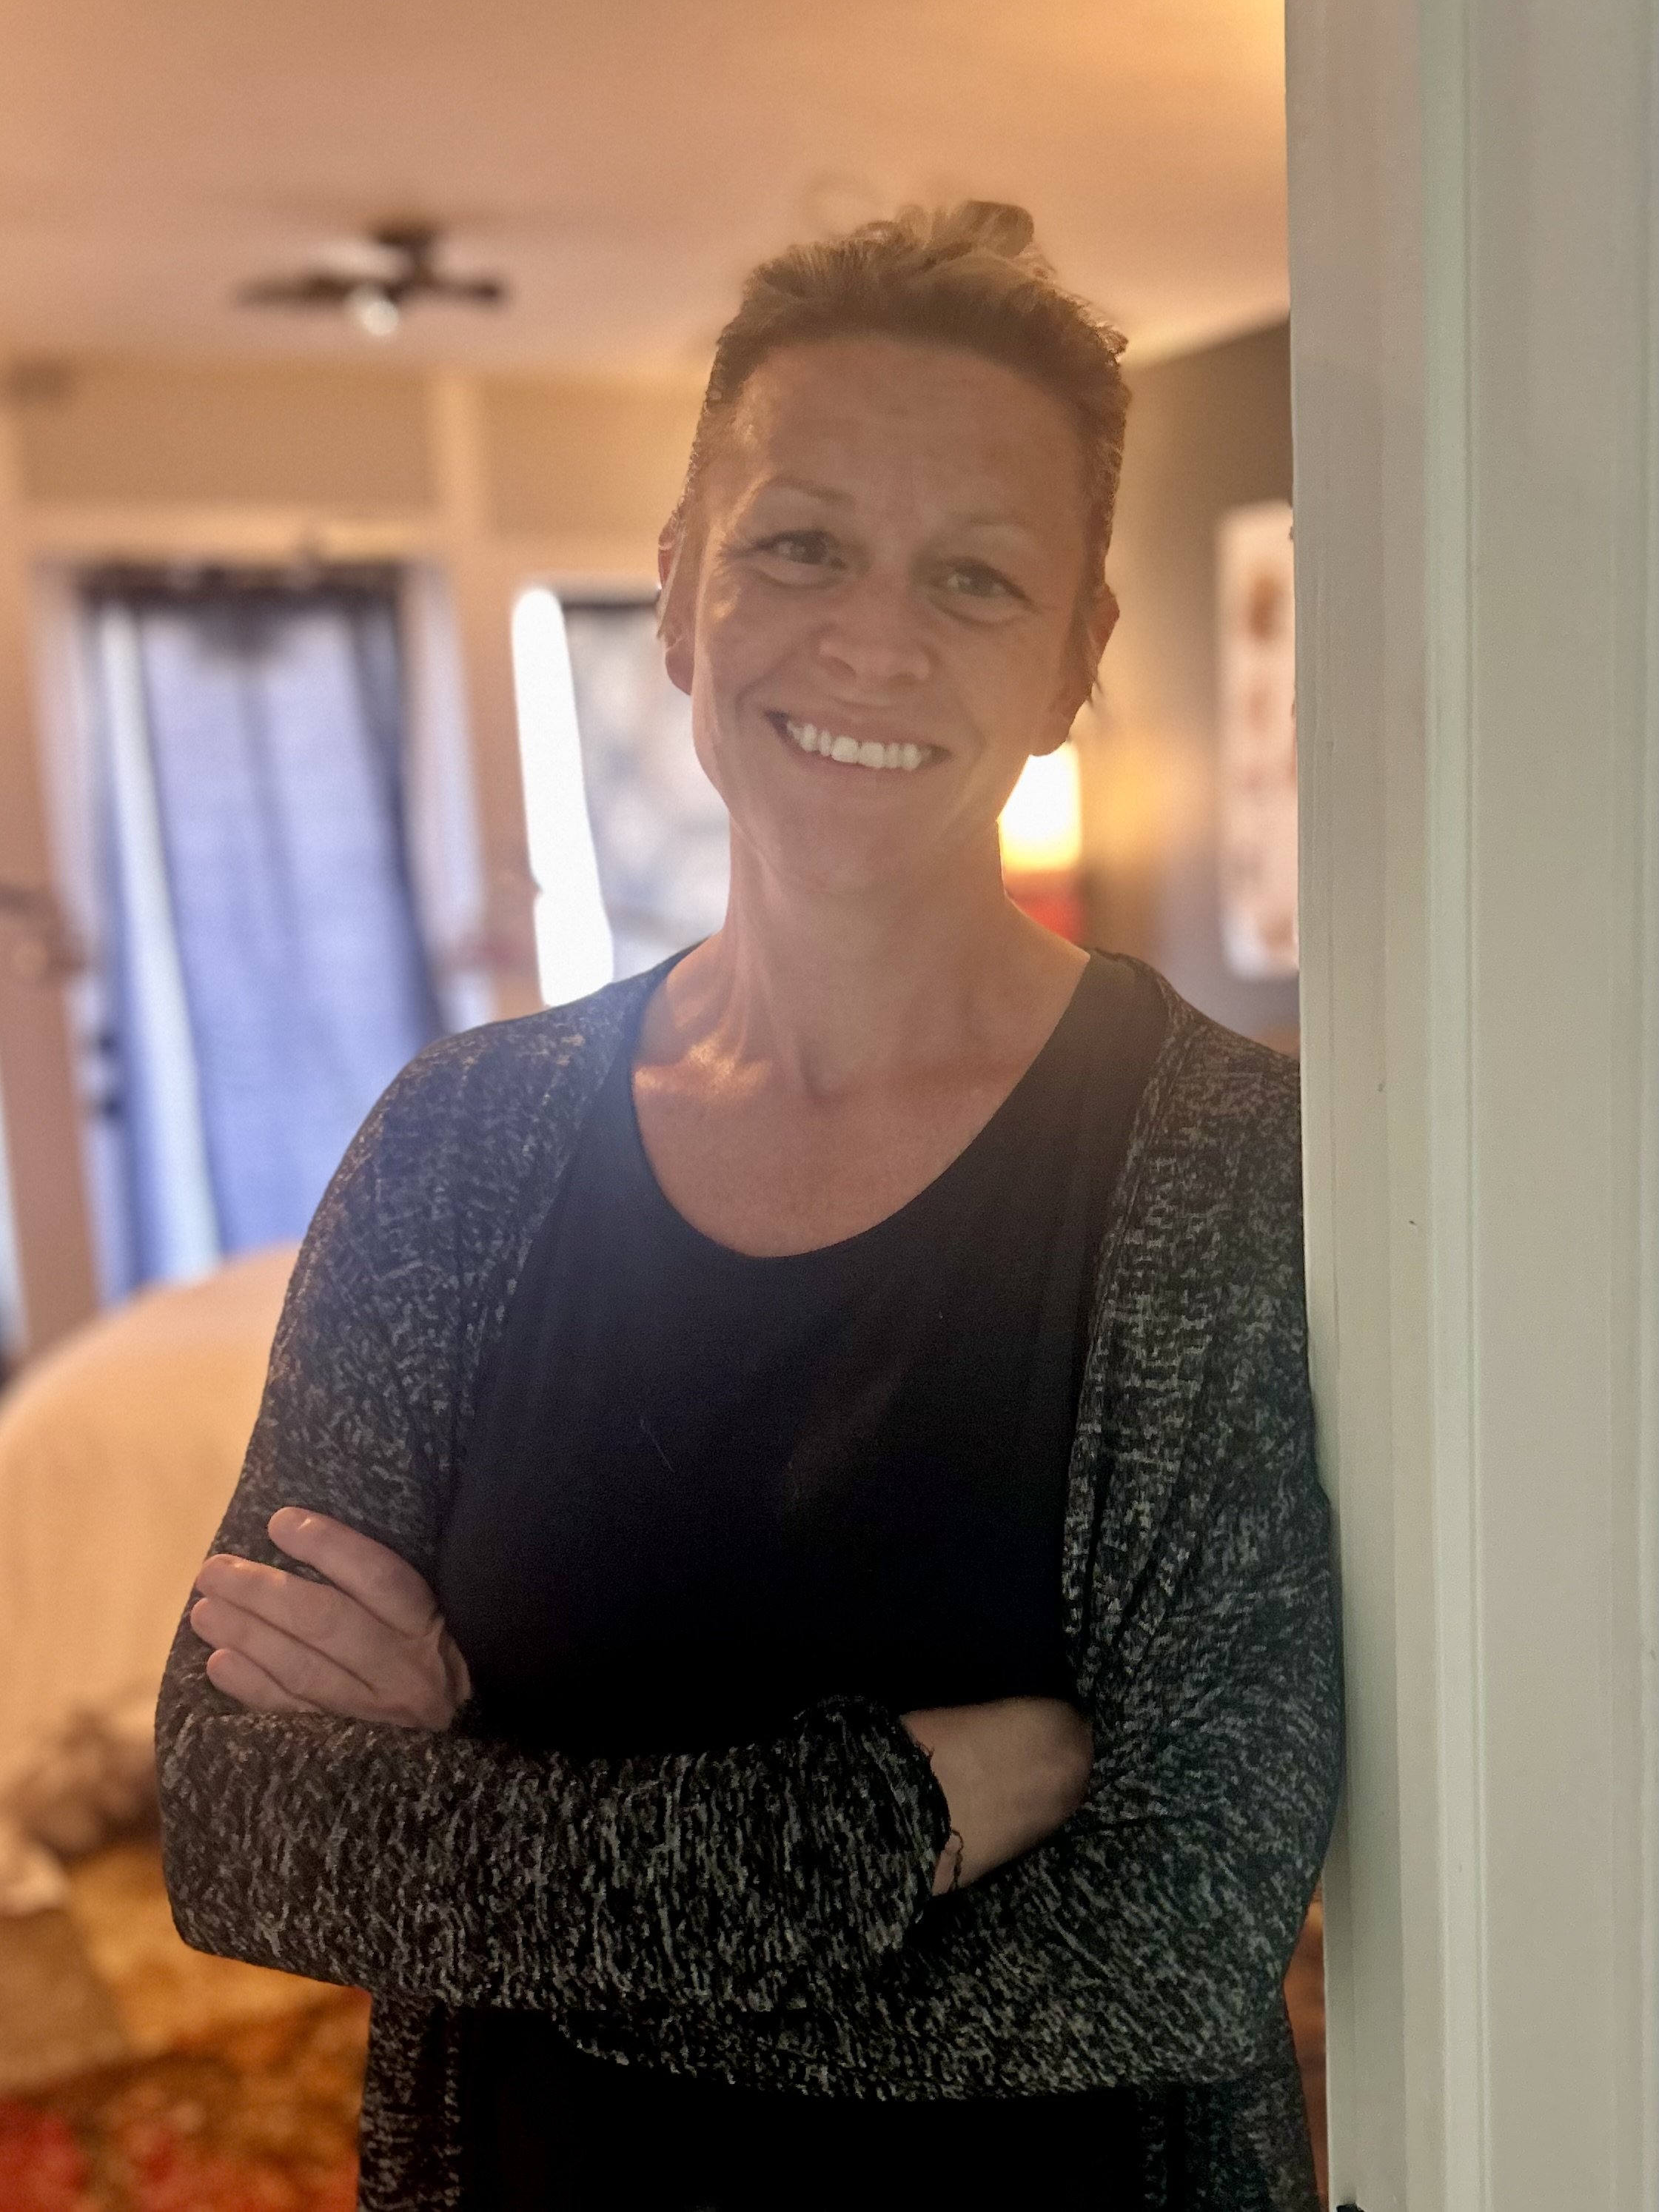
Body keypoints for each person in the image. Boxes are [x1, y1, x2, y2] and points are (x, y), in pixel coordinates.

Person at [157, 201, 1343, 2211]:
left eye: (974, 575)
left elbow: (1169, 1943)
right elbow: (236, 1825)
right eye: (799, 544)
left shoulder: (1233, 1170)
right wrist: (893, 1816)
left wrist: (486, 1829)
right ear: (679, 591)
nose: (874, 639)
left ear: (1074, 662)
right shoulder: (453, 1145)